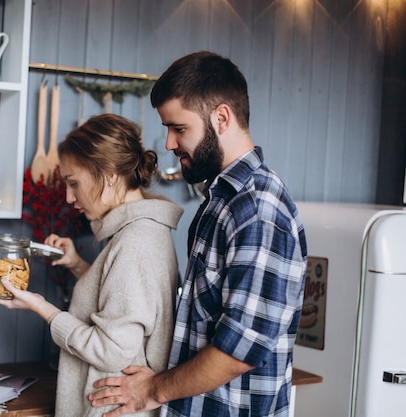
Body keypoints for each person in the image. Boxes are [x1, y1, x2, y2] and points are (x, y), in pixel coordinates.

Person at [88, 51, 308, 417]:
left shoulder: (256, 210)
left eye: (179, 128)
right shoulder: (221, 201)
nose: (170, 144)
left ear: (221, 117)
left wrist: (153, 390)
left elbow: (240, 349)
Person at [0, 113, 184, 417]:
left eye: (74, 183)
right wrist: (78, 265)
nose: (68, 197)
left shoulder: (135, 243)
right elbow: (122, 304)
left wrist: (45, 310)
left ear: (108, 175)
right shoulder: (141, 232)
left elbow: (112, 350)